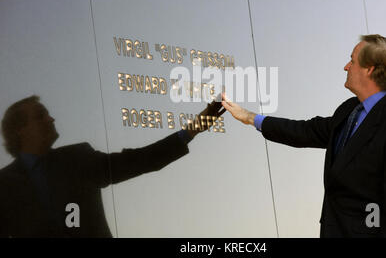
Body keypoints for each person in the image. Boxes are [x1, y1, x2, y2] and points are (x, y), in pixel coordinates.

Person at [222, 34, 386, 238]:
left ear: (370, 68)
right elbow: (305, 131)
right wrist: (250, 117)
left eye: (352, 61)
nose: (346, 66)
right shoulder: (349, 110)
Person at [0, 95, 225, 238]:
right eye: (40, 116)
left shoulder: (79, 158)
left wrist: (195, 127)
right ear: (21, 130)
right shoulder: (4, 185)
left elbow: (141, 160)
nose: (51, 118)